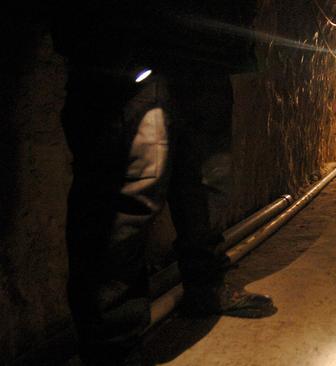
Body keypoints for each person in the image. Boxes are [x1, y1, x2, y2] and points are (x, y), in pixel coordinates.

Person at [51, 2, 275, 365]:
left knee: (205, 184)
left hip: (208, 57)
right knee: (122, 202)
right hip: (130, 48)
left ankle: (206, 287)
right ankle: (113, 347)